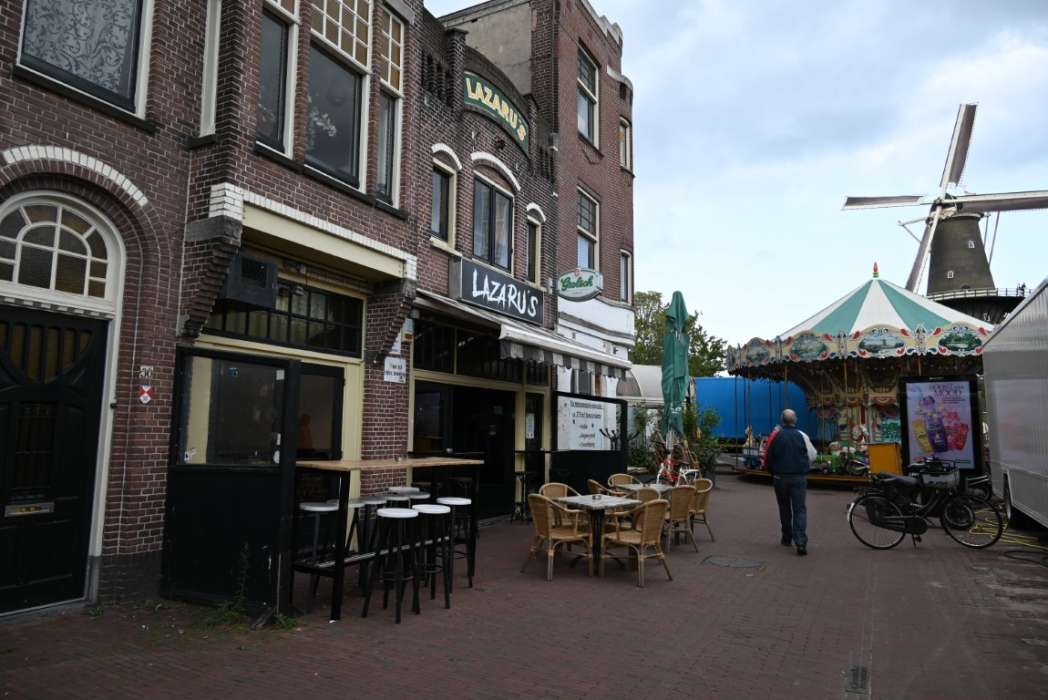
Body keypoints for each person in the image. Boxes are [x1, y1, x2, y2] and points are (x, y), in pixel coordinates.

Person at [765, 409, 817, 556]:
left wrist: (773, 473)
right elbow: (812, 455)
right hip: (798, 476)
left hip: (780, 477)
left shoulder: (776, 436)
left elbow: (768, 457)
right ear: (795, 420)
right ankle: (800, 541)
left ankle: (786, 537)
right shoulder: (802, 436)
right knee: (799, 509)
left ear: (782, 420)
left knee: (784, 507)